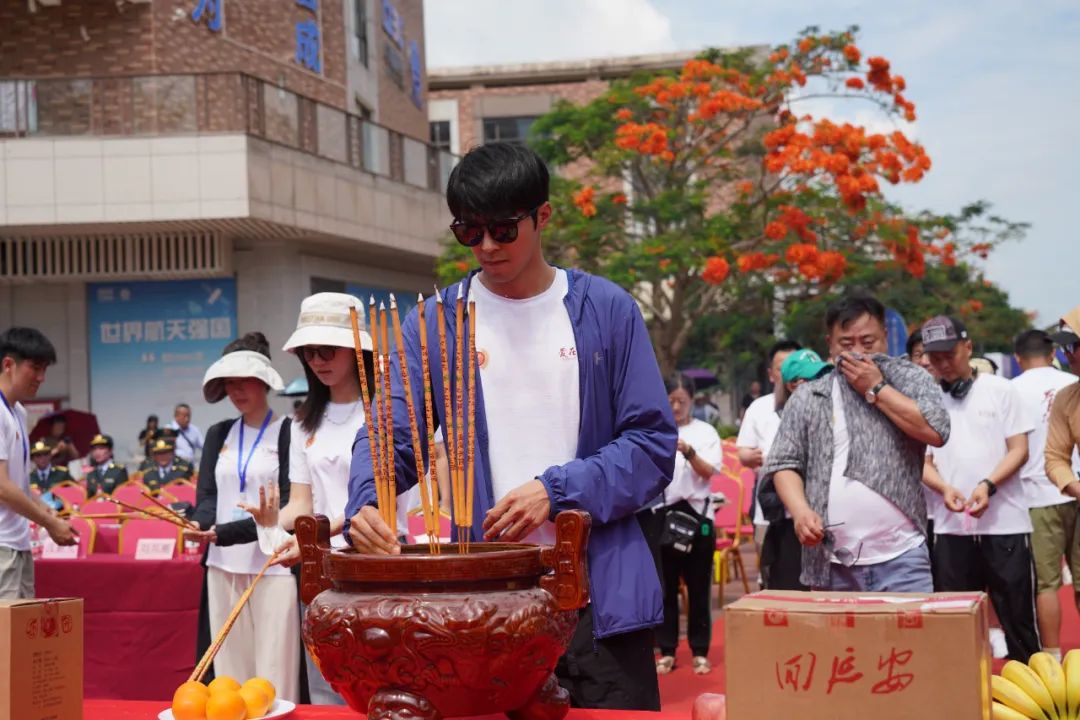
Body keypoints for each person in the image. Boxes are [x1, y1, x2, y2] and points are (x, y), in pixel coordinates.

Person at [344, 142, 676, 710]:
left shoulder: (607, 310)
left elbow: (652, 446)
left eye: (502, 228)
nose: (487, 247)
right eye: (468, 232)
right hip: (487, 600)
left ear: (542, 216)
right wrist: (368, 501)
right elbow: (391, 437)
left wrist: (556, 490)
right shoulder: (435, 322)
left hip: (598, 595)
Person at [762, 292, 951, 592]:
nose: (858, 353)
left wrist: (876, 387)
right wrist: (800, 511)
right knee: (836, 642)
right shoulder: (811, 395)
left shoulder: (911, 379)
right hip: (831, 562)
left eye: (868, 342)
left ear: (886, 338)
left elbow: (936, 430)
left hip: (902, 558)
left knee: (908, 641)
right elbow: (784, 462)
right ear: (830, 343)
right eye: (846, 345)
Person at [242, 292, 376, 706]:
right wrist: (269, 524)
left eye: (327, 349)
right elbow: (302, 504)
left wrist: (316, 535)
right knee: (327, 685)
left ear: (356, 349)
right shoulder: (302, 423)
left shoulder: (385, 411)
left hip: (377, 561)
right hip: (324, 571)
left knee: (380, 680)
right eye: (308, 352)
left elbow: (376, 503)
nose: (317, 360)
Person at [186, 332, 299, 702]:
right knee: (229, 674)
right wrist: (200, 525)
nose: (236, 391)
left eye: (244, 381)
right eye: (229, 383)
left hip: (273, 564)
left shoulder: (288, 432)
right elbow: (207, 497)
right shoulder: (219, 433)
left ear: (264, 380)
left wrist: (227, 532)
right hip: (222, 565)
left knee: (275, 670)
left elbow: (287, 508)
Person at [921, 315, 1038, 661]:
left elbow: (1019, 449)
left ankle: (1032, 700)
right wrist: (944, 488)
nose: (943, 363)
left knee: (1017, 619)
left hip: (1006, 525)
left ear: (968, 348)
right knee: (955, 623)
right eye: (935, 357)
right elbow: (921, 462)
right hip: (950, 527)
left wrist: (988, 484)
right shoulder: (926, 400)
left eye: (950, 354)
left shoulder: (1001, 390)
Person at [1010, 329, 1080, 661]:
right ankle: (1058, 663)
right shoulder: (1068, 387)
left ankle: (1052, 656)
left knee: (1047, 583)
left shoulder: (1010, 391)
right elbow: (1057, 454)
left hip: (1037, 496)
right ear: (1053, 354)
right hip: (1070, 489)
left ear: (1016, 358)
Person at [0, 327, 76, 599]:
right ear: (8, 364)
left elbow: (18, 484)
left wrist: (46, 507)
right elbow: (2, 487)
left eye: (45, 369)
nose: (41, 378)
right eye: (35, 368)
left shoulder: (18, 411)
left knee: (22, 638)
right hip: (2, 546)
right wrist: (48, 523)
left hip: (19, 544)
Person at [654, 373, 721, 677]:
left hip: (698, 514)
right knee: (665, 588)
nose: (677, 407)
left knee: (698, 587)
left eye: (682, 401)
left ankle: (700, 651)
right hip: (665, 514)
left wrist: (689, 452)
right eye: (671, 402)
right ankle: (666, 650)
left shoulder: (705, 431)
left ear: (692, 400)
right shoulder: (656, 430)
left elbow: (709, 473)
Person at [736, 340, 800, 586]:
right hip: (769, 504)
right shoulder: (759, 407)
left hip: (808, 506)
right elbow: (743, 451)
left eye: (793, 365)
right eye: (781, 367)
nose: (787, 373)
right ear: (771, 373)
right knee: (771, 567)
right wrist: (748, 457)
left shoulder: (817, 402)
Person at [1047, 306, 1080, 501]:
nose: (1066, 355)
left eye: (1071, 346)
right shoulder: (1066, 398)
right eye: (1063, 348)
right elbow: (1055, 457)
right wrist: (1073, 486)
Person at [84, 434, 128, 498]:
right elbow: (89, 498)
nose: (97, 452)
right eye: (94, 449)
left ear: (110, 451)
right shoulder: (91, 474)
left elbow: (123, 496)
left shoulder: (119, 471)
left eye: (101, 448)